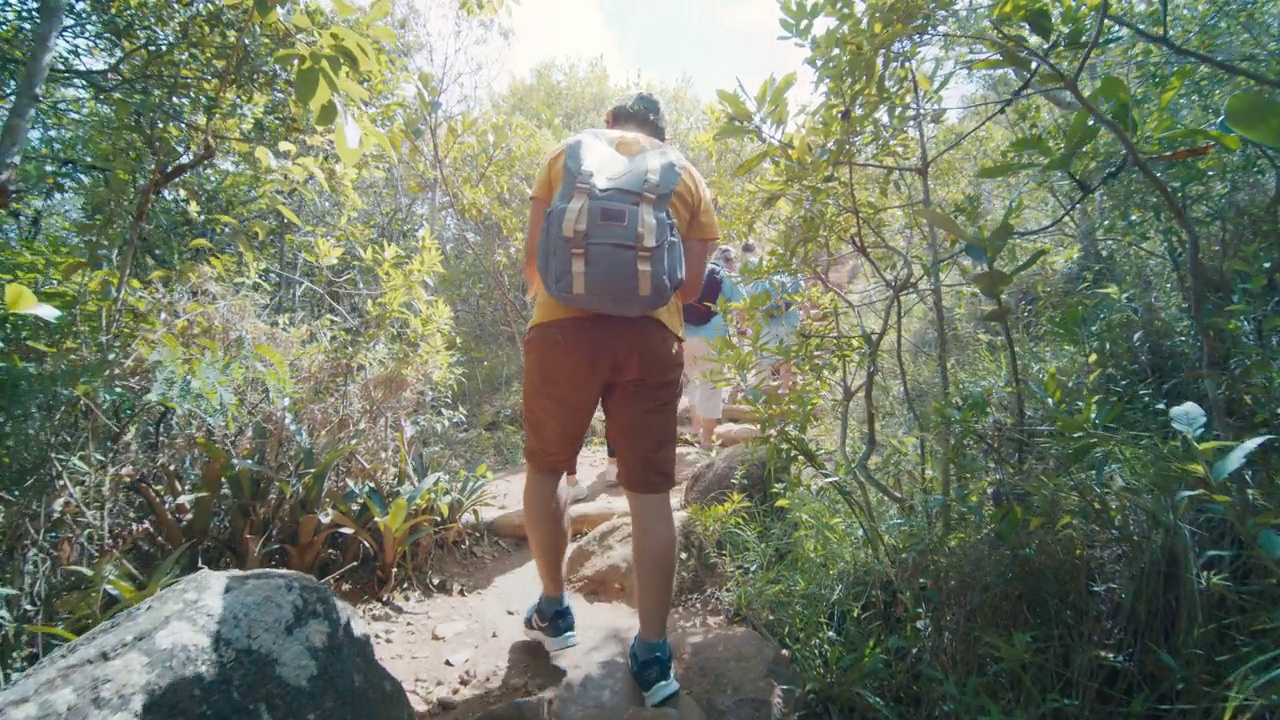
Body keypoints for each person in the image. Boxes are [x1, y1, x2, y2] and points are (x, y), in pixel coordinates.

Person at [520, 92, 720, 708]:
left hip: (560, 328)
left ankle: (554, 612)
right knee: (650, 494)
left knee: (548, 468)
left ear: (610, 124)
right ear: (662, 130)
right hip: (649, 337)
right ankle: (654, 652)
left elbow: (534, 260)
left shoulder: (566, 154)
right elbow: (689, 290)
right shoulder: (685, 175)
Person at [681, 245, 747, 449]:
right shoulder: (727, 276)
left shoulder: (693, 271)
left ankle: (695, 427)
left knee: (693, 381)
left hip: (684, 336)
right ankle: (707, 441)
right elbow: (742, 305)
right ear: (731, 261)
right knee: (712, 387)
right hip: (713, 339)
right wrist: (742, 328)